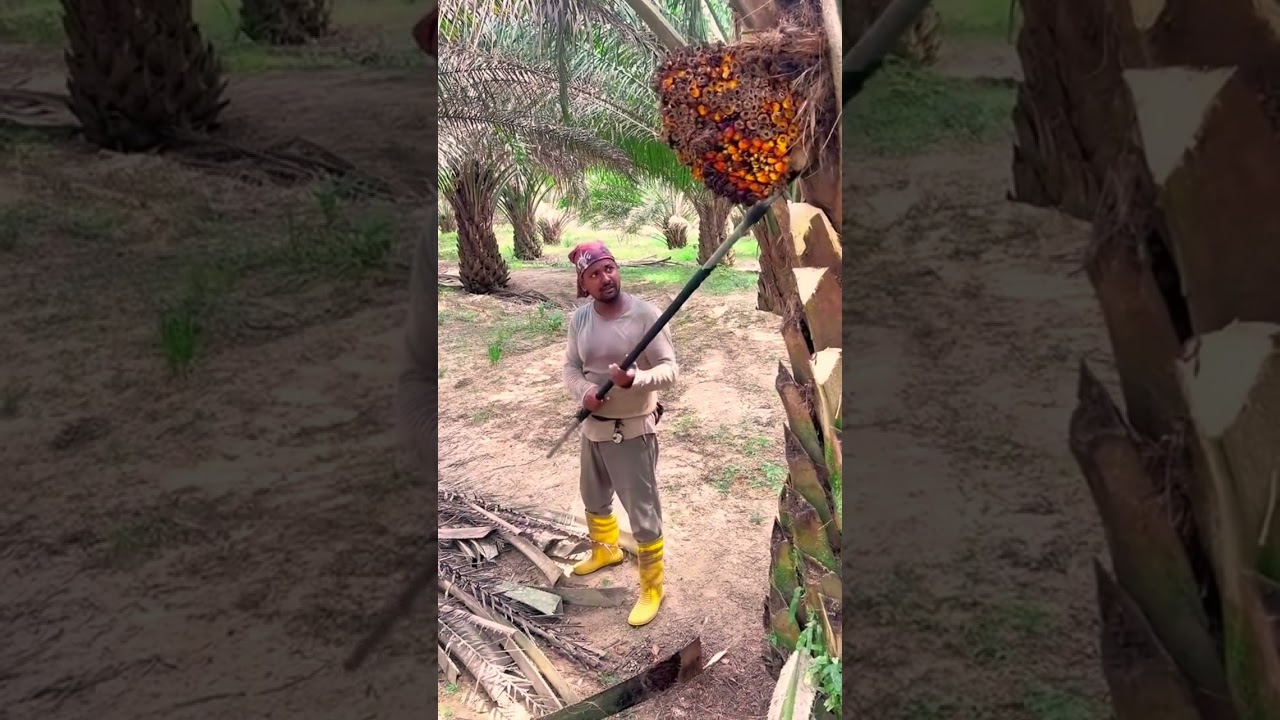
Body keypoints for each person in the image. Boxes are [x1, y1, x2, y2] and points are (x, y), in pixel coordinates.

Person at [562, 241, 678, 628]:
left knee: (643, 513)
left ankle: (652, 587)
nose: (605, 278)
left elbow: (670, 370)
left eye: (609, 268)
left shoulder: (645, 315)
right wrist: (584, 392)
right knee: (593, 497)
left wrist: (635, 380)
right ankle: (606, 551)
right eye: (594, 274)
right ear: (583, 283)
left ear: (617, 269)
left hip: (631, 431)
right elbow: (571, 367)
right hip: (593, 427)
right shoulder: (580, 320)